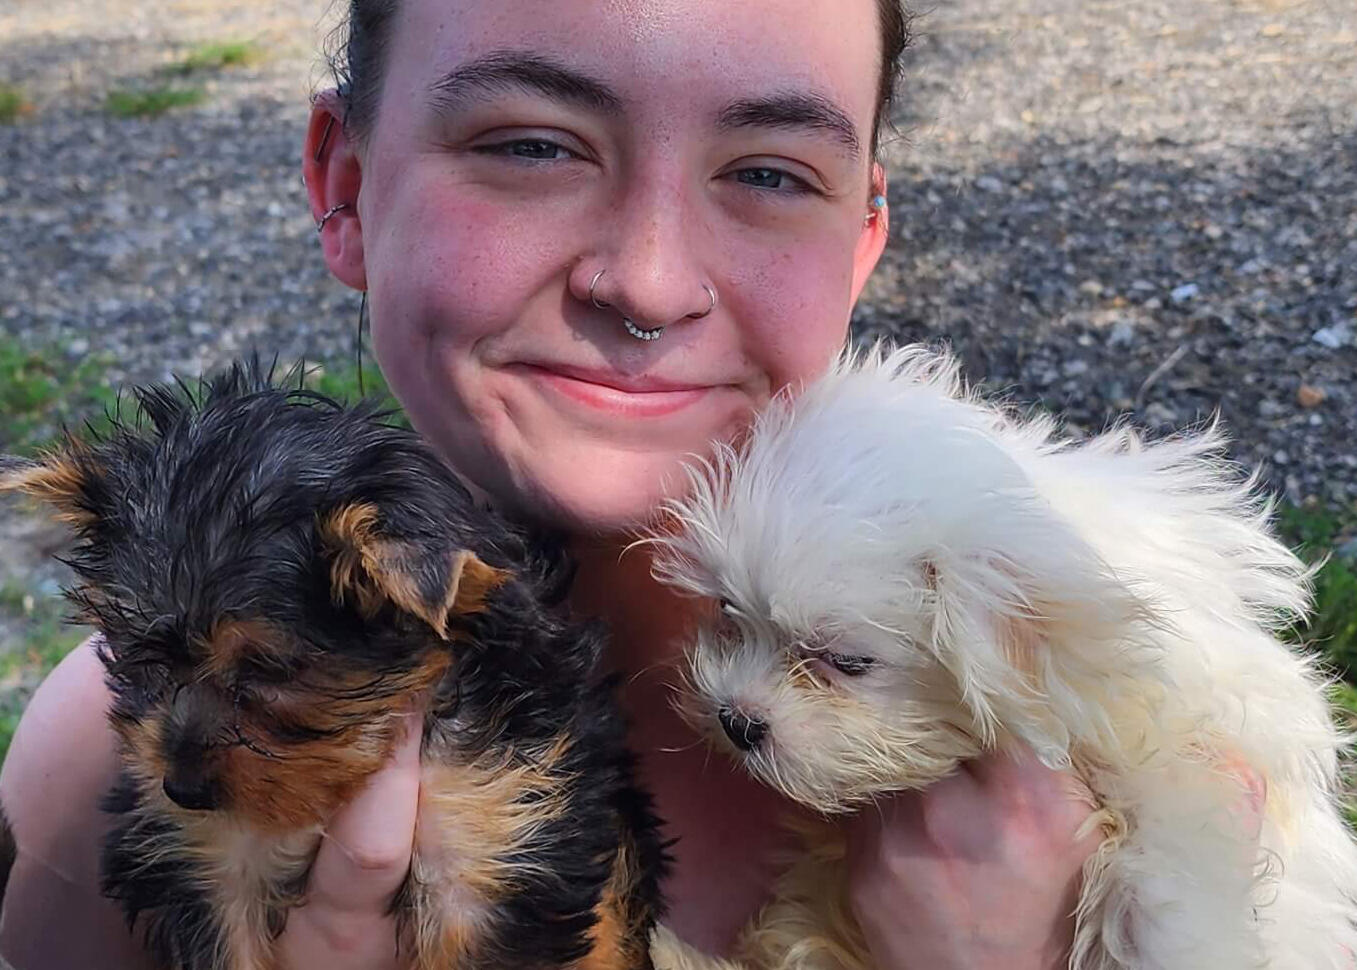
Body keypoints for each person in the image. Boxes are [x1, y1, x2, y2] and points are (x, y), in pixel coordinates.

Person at [0, 1, 1110, 967]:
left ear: (864, 234)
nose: (648, 281)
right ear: (343, 182)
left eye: (770, 172)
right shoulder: (113, 773)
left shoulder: (1072, 699)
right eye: (533, 147)